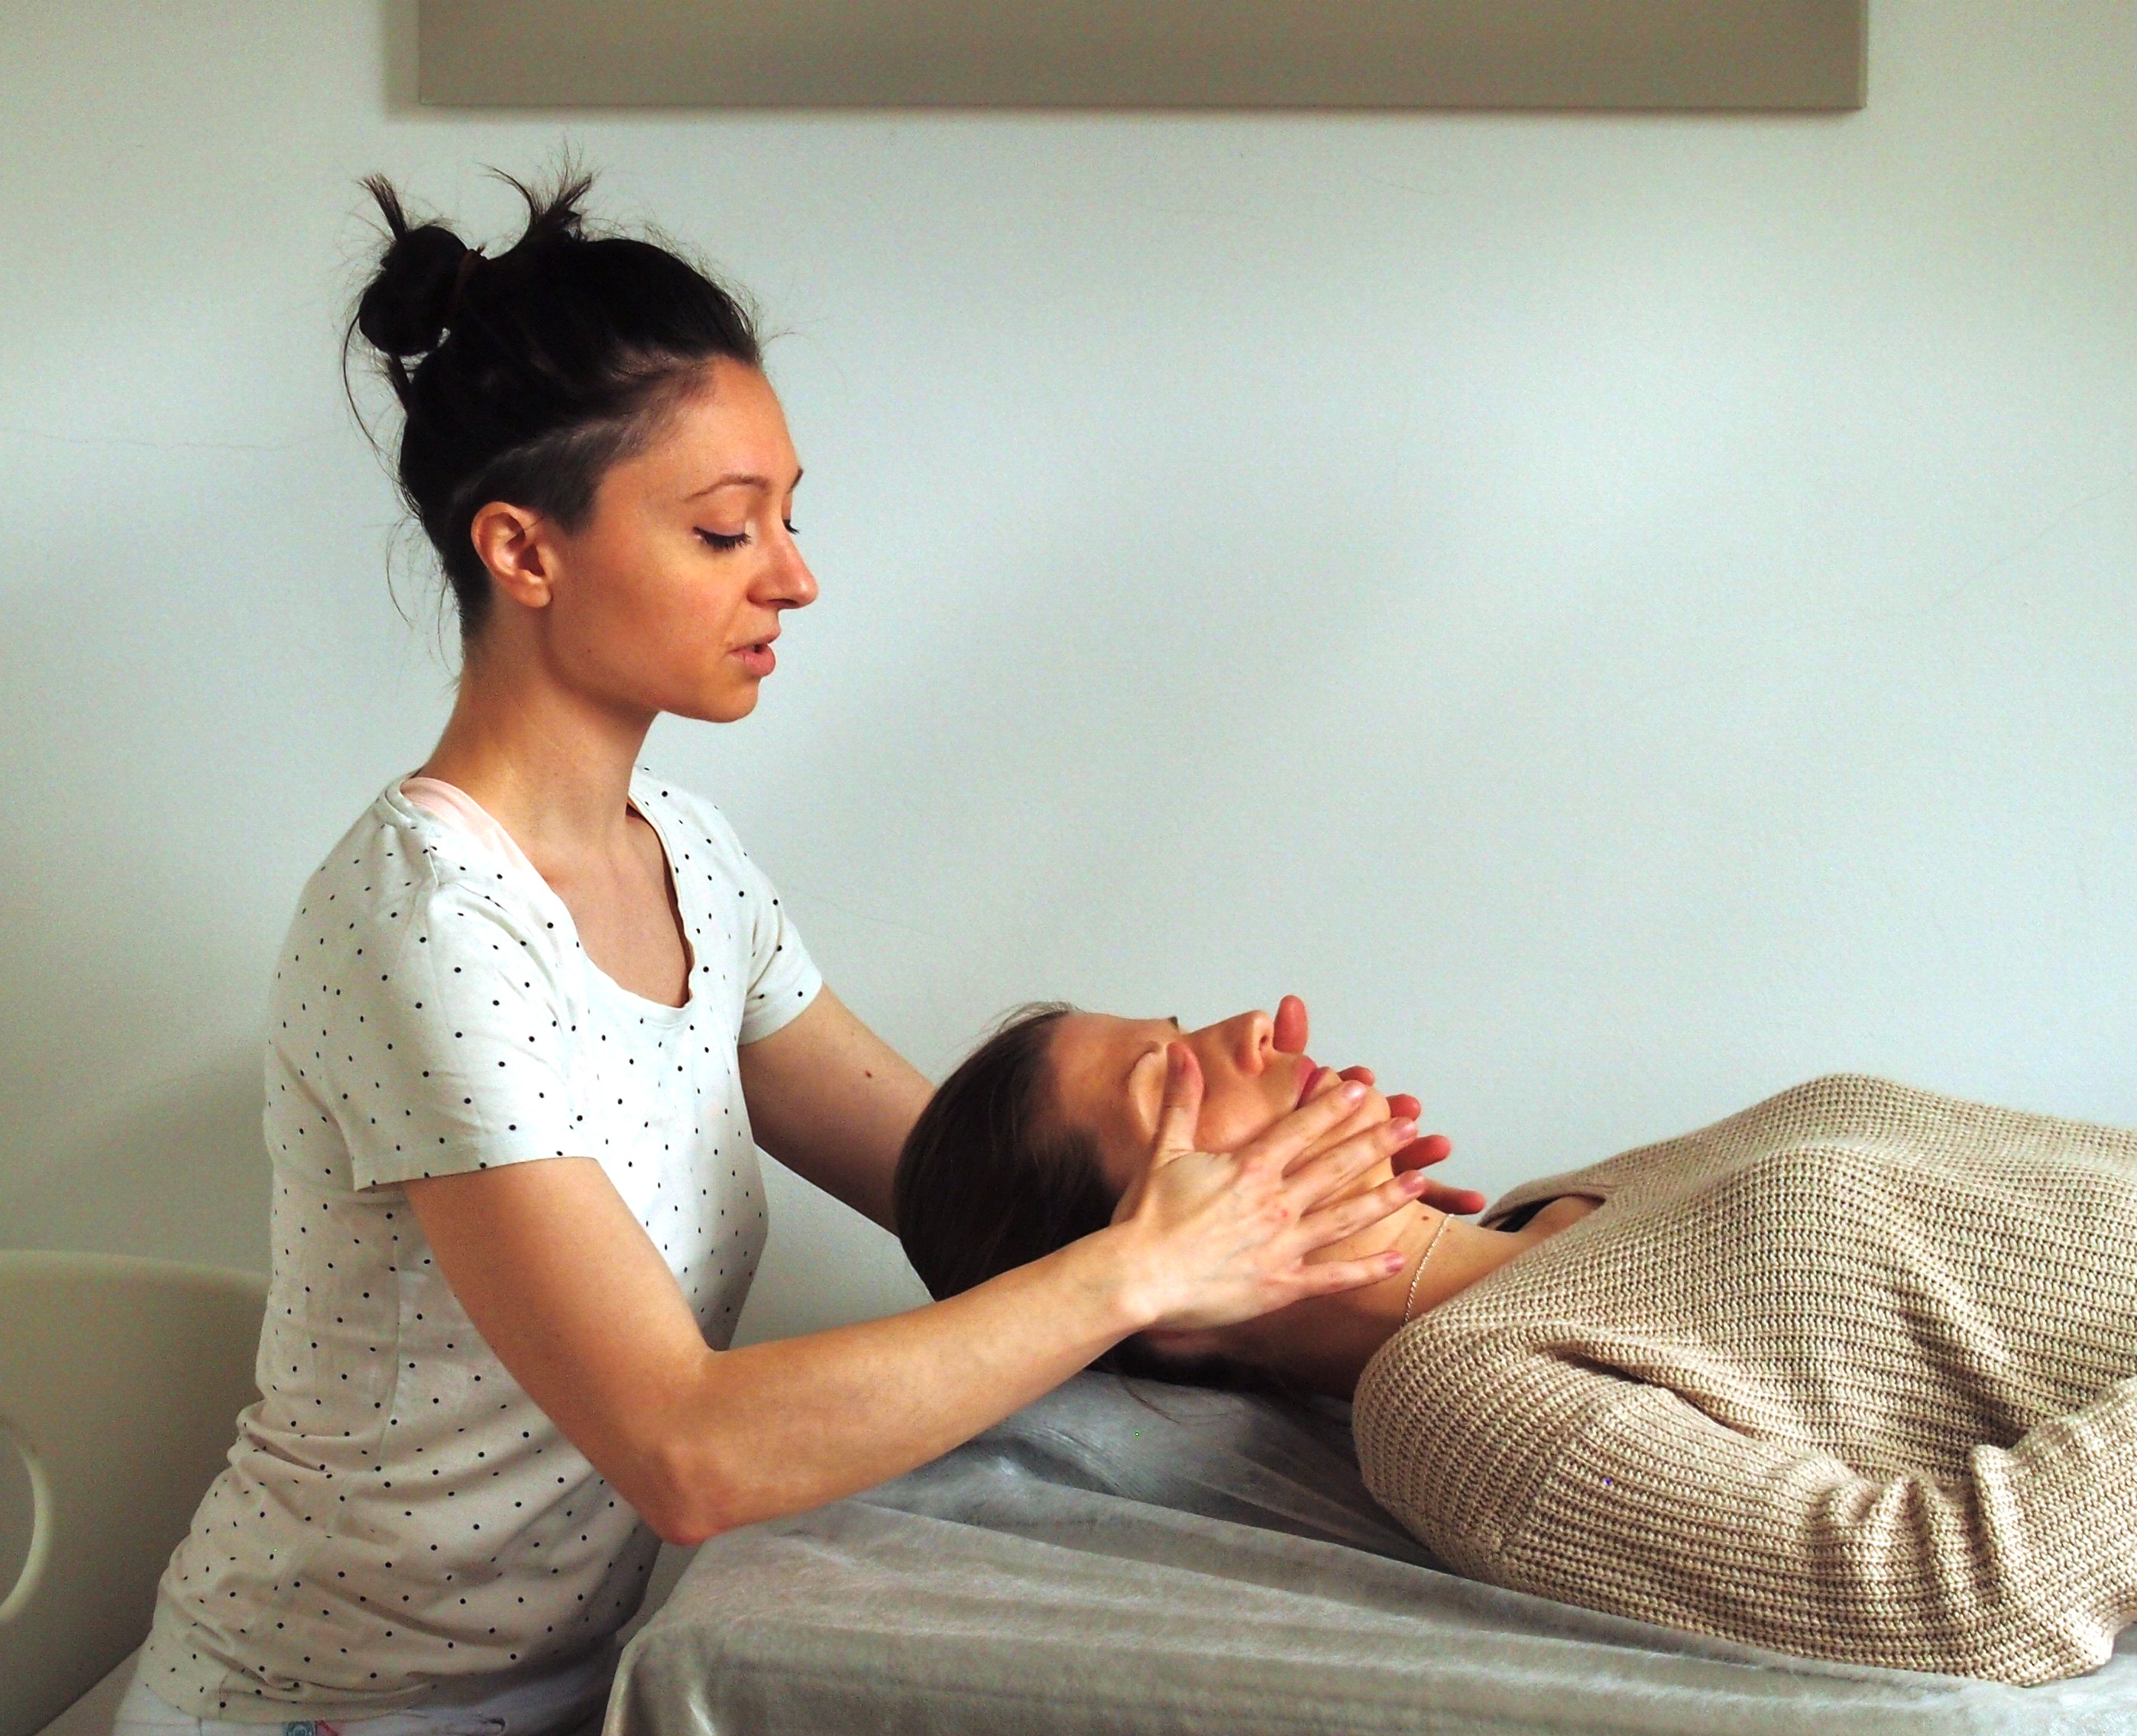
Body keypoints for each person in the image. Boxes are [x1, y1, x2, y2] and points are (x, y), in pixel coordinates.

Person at [114, 161, 1487, 1736]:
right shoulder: (425, 928)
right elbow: (686, 1450)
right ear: (524, 551)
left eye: (787, 515)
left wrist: (1301, 1224)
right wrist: (1150, 1261)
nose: (794, 575)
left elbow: (974, 1193)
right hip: (320, 1706)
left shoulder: (691, 862)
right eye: (723, 529)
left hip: (607, 1675)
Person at [895, 998, 2137, 1686]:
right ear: (1151, 1280)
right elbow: (1959, 1595)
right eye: (1163, 1074)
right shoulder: (1453, 1402)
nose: (1249, 1026)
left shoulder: (1567, 1195)